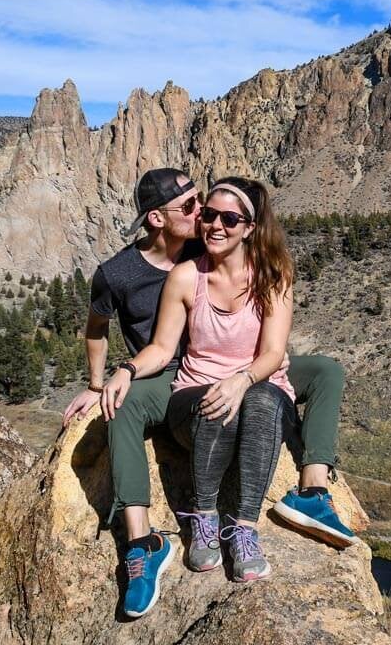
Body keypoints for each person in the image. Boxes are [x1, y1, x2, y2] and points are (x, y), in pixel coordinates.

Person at [62, 169, 354, 617]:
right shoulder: (125, 272)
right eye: (197, 210)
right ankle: (144, 541)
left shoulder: (240, 257)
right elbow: (108, 332)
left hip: (245, 373)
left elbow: (271, 345)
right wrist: (103, 380)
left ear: (246, 228)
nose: (207, 218)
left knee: (323, 373)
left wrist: (248, 376)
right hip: (179, 377)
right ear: (158, 219)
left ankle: (310, 491)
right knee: (122, 406)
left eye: (220, 215)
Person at [105, 177, 293, 584]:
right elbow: (161, 347)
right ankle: (204, 517)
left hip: (256, 388)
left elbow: (273, 353)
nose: (214, 225)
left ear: (250, 227)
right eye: (208, 214)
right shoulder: (186, 277)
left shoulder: (273, 277)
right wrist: (126, 369)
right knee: (213, 400)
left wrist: (241, 380)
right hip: (194, 395)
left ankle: (244, 528)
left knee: (261, 400)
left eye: (229, 218)